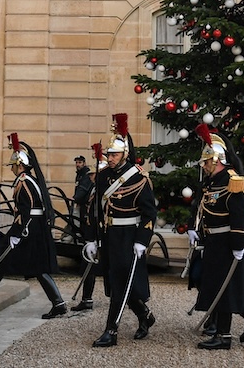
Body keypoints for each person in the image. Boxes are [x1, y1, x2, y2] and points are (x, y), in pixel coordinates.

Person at [190, 124, 244, 350]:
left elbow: (238, 216)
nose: (204, 166)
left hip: (228, 243)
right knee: (222, 286)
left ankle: (223, 337)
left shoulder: (231, 181)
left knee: (224, 288)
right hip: (215, 242)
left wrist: (238, 244)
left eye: (206, 162)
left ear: (216, 160)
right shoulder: (213, 181)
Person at [83, 113, 157, 347]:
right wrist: (92, 239)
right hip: (109, 236)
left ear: (125, 154)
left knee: (122, 284)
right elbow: (97, 209)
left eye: (114, 154)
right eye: (109, 154)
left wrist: (142, 240)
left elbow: (149, 214)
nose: (110, 158)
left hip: (129, 237)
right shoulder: (104, 176)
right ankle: (145, 315)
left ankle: (111, 331)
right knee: (118, 282)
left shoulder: (139, 179)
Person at [0, 133, 67, 319]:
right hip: (31, 228)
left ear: (20, 165)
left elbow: (28, 210)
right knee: (34, 267)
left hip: (27, 229)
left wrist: (20, 232)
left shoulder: (24, 182)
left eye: (14, 166)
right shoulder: (28, 180)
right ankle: (59, 303)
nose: (12, 170)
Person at [71, 147, 103, 312]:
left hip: (104, 236)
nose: (92, 177)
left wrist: (97, 237)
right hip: (92, 234)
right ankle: (87, 299)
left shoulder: (103, 192)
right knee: (87, 266)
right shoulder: (94, 189)